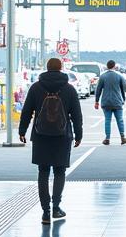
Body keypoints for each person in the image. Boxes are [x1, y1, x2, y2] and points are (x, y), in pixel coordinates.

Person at [19, 57, 83, 225]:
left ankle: (45, 212)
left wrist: (22, 131)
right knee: (60, 172)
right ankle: (56, 208)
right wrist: (79, 134)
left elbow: (26, 111)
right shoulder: (69, 89)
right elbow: (76, 114)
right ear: (61, 68)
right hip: (62, 136)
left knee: (43, 172)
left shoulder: (36, 88)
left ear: (46, 68)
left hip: (40, 136)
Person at [95, 59, 126, 145]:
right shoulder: (119, 76)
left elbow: (98, 89)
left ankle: (107, 138)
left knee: (107, 120)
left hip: (106, 102)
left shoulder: (103, 77)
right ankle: (122, 137)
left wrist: (96, 101)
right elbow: (124, 89)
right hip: (117, 102)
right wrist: (123, 99)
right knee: (120, 120)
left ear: (107, 66)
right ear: (114, 66)